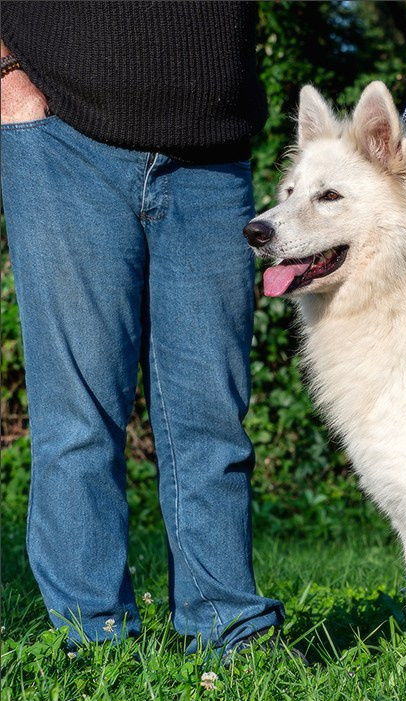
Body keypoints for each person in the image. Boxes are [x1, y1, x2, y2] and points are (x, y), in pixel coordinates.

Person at [1, 2, 286, 655]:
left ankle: (229, 632)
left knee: (213, 421)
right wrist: (9, 80)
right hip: (60, 134)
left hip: (213, 149)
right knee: (76, 422)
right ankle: (95, 644)